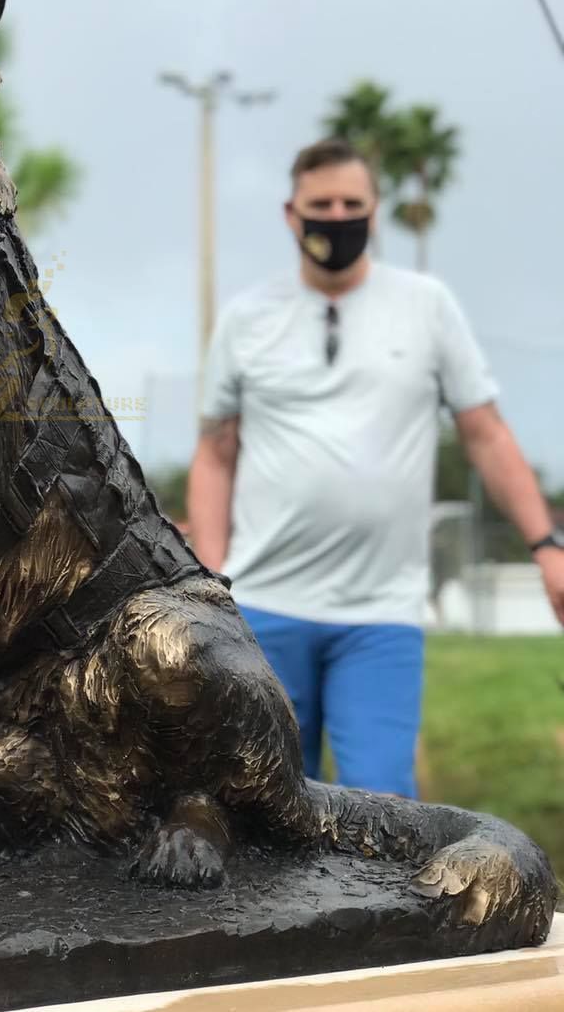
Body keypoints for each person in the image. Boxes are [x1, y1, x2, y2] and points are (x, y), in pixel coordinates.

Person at [187, 137, 564, 797]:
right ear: (290, 213)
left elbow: (486, 433)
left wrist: (546, 544)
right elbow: (216, 453)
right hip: (264, 608)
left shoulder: (428, 307)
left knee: (381, 811)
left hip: (380, 616)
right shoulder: (247, 319)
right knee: (258, 805)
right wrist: (213, 582)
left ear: (376, 209)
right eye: (321, 203)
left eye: (352, 202)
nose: (337, 215)